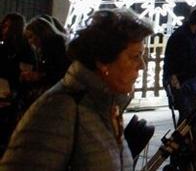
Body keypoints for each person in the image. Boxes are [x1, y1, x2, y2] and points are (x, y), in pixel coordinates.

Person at [0, 9, 155, 170]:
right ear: (103, 61)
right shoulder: (61, 109)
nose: (142, 65)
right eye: (135, 56)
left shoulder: (106, 108)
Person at [0, 14, 34, 153]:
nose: (5, 30)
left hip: (12, 90)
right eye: (4, 26)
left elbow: (24, 70)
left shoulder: (24, 48)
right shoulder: (3, 45)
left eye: (9, 26)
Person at [164, 5, 196, 93]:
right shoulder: (181, 37)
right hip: (182, 84)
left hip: (191, 81)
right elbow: (183, 66)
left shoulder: (193, 35)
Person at [19, 16, 69, 105]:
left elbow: (59, 73)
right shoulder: (44, 50)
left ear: (41, 33)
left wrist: (39, 76)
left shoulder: (55, 48)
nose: (30, 42)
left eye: (31, 36)